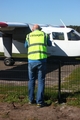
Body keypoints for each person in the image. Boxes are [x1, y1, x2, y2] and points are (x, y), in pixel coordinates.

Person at [25, 24, 52, 107]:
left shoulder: (28, 35)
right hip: (41, 60)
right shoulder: (44, 34)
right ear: (40, 29)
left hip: (31, 61)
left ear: (33, 29)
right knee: (41, 81)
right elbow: (49, 44)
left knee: (31, 80)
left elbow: (25, 46)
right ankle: (39, 102)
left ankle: (30, 99)